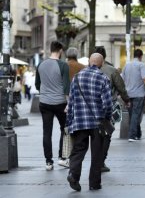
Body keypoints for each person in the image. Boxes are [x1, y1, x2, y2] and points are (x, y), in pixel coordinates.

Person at [66, 53, 112, 192]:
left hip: (79, 120)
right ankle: (94, 183)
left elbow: (71, 102)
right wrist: (107, 117)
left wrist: (69, 121)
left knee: (78, 149)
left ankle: (74, 175)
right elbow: (107, 104)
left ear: (88, 62)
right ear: (101, 63)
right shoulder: (103, 78)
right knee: (97, 153)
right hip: (97, 122)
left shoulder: (77, 77)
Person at [35, 41, 70, 170]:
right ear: (60, 50)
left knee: (47, 132)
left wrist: (45, 93)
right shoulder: (63, 65)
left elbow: (37, 85)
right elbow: (66, 86)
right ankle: (63, 158)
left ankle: (48, 162)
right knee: (65, 130)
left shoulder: (40, 64)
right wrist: (69, 104)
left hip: (44, 102)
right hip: (61, 103)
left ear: (51, 49)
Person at [94, 46, 130, 172]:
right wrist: (126, 100)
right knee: (107, 133)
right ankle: (101, 161)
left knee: (95, 135)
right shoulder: (112, 70)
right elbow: (121, 87)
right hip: (109, 106)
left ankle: (96, 160)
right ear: (104, 57)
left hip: (93, 107)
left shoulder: (87, 70)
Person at [122, 49, 145, 142]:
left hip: (128, 94)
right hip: (139, 94)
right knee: (136, 114)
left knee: (132, 114)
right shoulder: (141, 65)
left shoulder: (126, 66)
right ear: (141, 56)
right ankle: (132, 135)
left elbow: (122, 79)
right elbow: (144, 79)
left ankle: (138, 134)